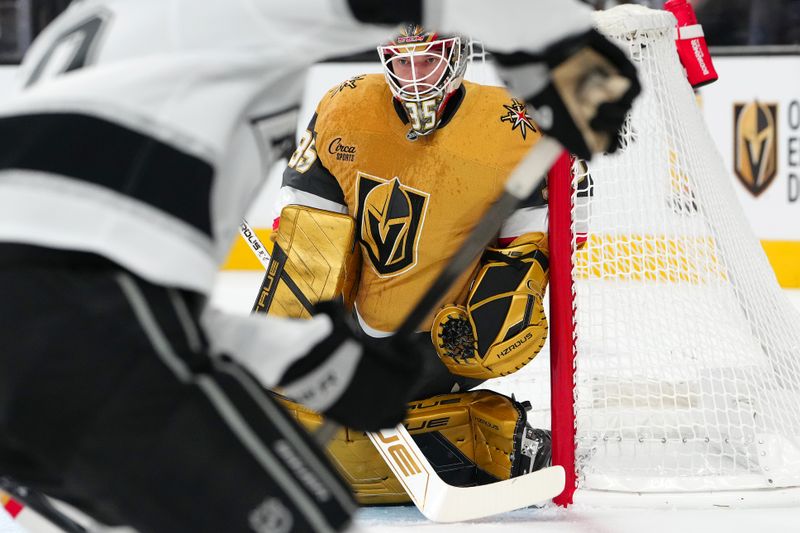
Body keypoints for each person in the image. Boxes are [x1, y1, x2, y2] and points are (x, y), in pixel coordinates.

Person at [0, 0, 639, 531]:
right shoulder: (235, 16)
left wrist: (314, 364)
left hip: (67, 331)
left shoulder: (129, 45)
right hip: (83, 319)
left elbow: (138, 317)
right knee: (307, 512)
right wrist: (564, 47)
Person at [252, 24, 618, 504]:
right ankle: (485, 442)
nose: (414, 76)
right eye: (402, 62)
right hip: (361, 312)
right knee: (297, 318)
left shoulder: (509, 123)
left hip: (448, 327)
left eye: (427, 60)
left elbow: (565, 218)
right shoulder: (347, 105)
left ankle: (503, 440)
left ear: (458, 56)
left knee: (503, 306)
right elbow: (306, 212)